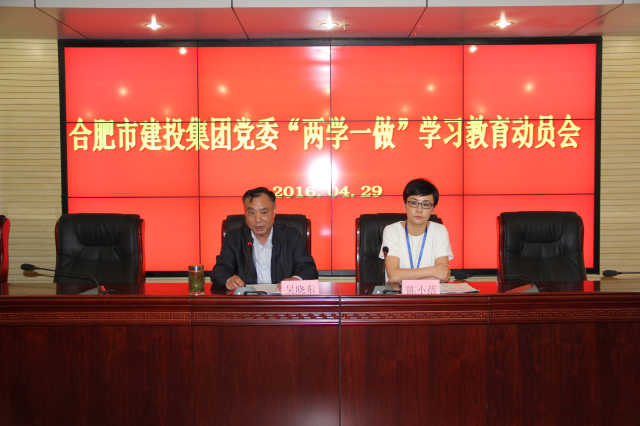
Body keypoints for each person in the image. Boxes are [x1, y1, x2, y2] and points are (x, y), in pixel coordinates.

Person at [211, 187, 318, 290]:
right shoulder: (234, 237)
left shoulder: (292, 236)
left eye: (264, 212)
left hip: (282, 299)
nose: (258, 220)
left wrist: (295, 280)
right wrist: (229, 279)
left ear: (274, 210)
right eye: (251, 213)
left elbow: (309, 269)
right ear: (245, 213)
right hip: (248, 300)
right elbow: (219, 270)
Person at [379, 178, 453, 283]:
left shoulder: (439, 231)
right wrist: (433, 271)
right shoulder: (392, 231)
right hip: (398, 292)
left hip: (429, 293)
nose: (419, 210)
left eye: (426, 204)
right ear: (405, 205)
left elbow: (442, 275)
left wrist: (403, 275)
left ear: (433, 209)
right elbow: (394, 276)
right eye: (414, 203)